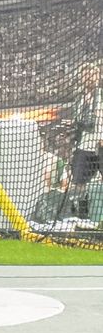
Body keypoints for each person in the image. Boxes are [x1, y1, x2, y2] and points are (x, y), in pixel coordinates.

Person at [68, 61, 102, 219]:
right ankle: (82, 215)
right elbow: (78, 121)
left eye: (91, 74)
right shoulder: (79, 99)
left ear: (98, 76)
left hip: (100, 143)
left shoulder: (100, 96)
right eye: (85, 75)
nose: (88, 78)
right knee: (79, 182)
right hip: (84, 146)